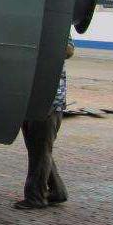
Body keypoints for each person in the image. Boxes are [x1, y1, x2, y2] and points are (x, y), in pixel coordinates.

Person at [13, 39, 74, 209]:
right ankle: (58, 191)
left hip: (48, 103)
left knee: (40, 151)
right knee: (39, 150)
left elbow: (69, 50)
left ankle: (36, 197)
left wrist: (42, 44)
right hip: (32, 99)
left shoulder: (57, 31)